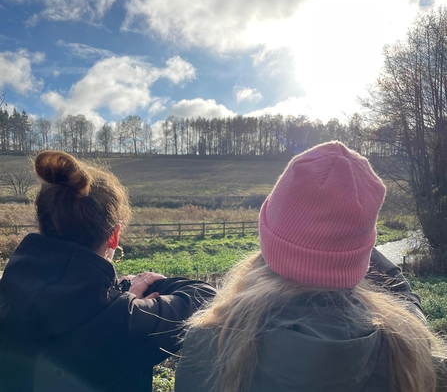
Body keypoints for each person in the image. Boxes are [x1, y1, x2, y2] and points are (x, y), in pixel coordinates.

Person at [175, 141, 443, 392]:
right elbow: (409, 310)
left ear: (268, 238)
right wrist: (363, 251)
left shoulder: (211, 342)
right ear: (362, 254)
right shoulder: (404, 350)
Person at [0, 151, 216, 392]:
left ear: (42, 225)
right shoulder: (125, 320)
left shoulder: (5, 295)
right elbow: (205, 295)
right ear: (114, 236)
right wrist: (128, 290)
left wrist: (119, 295)